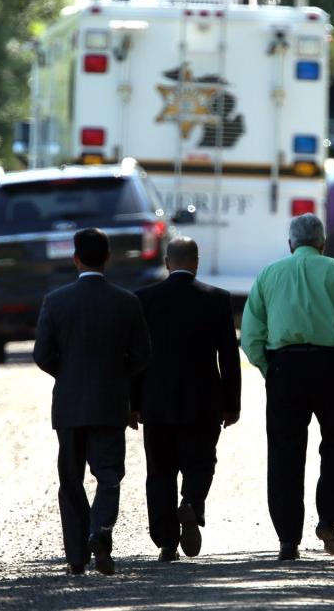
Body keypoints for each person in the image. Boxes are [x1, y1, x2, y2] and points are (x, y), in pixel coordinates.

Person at [241, 213, 334, 560]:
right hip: (331, 364)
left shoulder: (269, 274)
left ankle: (288, 539)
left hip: (285, 367)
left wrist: (269, 368)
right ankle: (329, 519)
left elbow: (251, 333)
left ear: (290, 244)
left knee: (284, 453)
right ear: (322, 244)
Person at [33, 228, 150, 576]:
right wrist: (118, 375)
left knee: (71, 480)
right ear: (108, 258)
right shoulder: (127, 302)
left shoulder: (55, 301)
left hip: (69, 404)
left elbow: (42, 354)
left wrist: (65, 374)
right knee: (109, 474)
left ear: (76, 258)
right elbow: (143, 354)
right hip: (110, 402)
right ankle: (100, 531)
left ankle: (75, 558)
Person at [132, 236, 241, 562]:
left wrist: (132, 402)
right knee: (202, 460)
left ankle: (166, 541)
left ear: (167, 262)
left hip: (156, 399)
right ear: (197, 262)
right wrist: (231, 403)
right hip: (204, 398)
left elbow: (136, 356)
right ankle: (192, 502)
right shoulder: (217, 299)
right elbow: (229, 356)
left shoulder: (145, 299)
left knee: (160, 470)